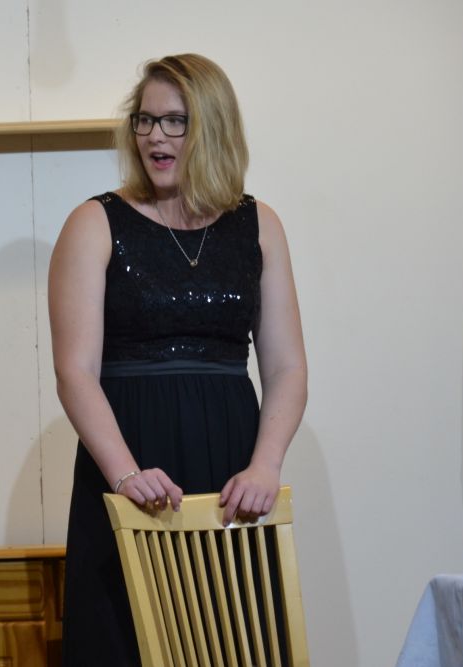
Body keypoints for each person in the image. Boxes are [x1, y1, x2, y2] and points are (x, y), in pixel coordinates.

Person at [48, 53, 307, 665]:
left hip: (232, 474)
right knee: (122, 641)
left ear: (212, 128)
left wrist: (265, 467)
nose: (154, 137)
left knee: (236, 641)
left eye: (174, 122)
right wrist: (125, 475)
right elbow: (74, 371)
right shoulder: (94, 222)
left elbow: (287, 367)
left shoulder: (259, 223)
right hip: (131, 467)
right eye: (144, 120)